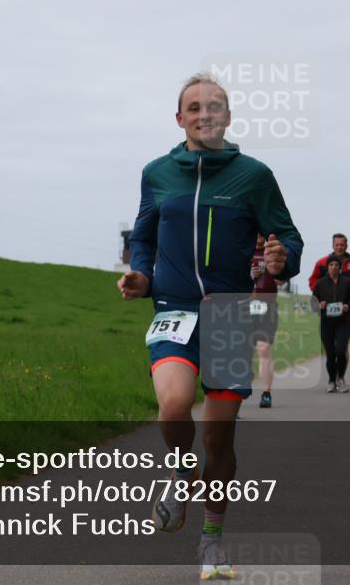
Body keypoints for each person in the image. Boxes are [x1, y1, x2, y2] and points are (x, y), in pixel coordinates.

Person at [118, 73, 303, 580]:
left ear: (228, 115)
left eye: (215, 106)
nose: (205, 114)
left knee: (219, 441)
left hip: (227, 314)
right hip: (174, 309)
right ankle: (180, 468)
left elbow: (288, 239)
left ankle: (212, 540)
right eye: (195, 107)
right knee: (174, 406)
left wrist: (281, 257)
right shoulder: (157, 173)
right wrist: (140, 274)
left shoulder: (254, 175)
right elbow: (143, 236)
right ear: (179, 118)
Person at [312, 255, 350, 393]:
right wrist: (320, 304)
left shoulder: (348, 282)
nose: (334, 267)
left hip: (343, 322)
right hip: (327, 322)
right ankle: (331, 380)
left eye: (336, 265)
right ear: (327, 267)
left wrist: (348, 306)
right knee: (330, 354)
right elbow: (313, 302)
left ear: (340, 268)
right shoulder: (320, 283)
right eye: (331, 265)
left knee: (341, 351)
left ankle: (341, 378)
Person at [250, 233, 282, 408]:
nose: (257, 237)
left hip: (267, 306)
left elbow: (285, 273)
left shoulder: (273, 252)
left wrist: (283, 277)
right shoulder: (242, 250)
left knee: (263, 349)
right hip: (244, 306)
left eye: (260, 234)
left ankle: (266, 393)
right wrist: (249, 274)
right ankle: (237, 396)